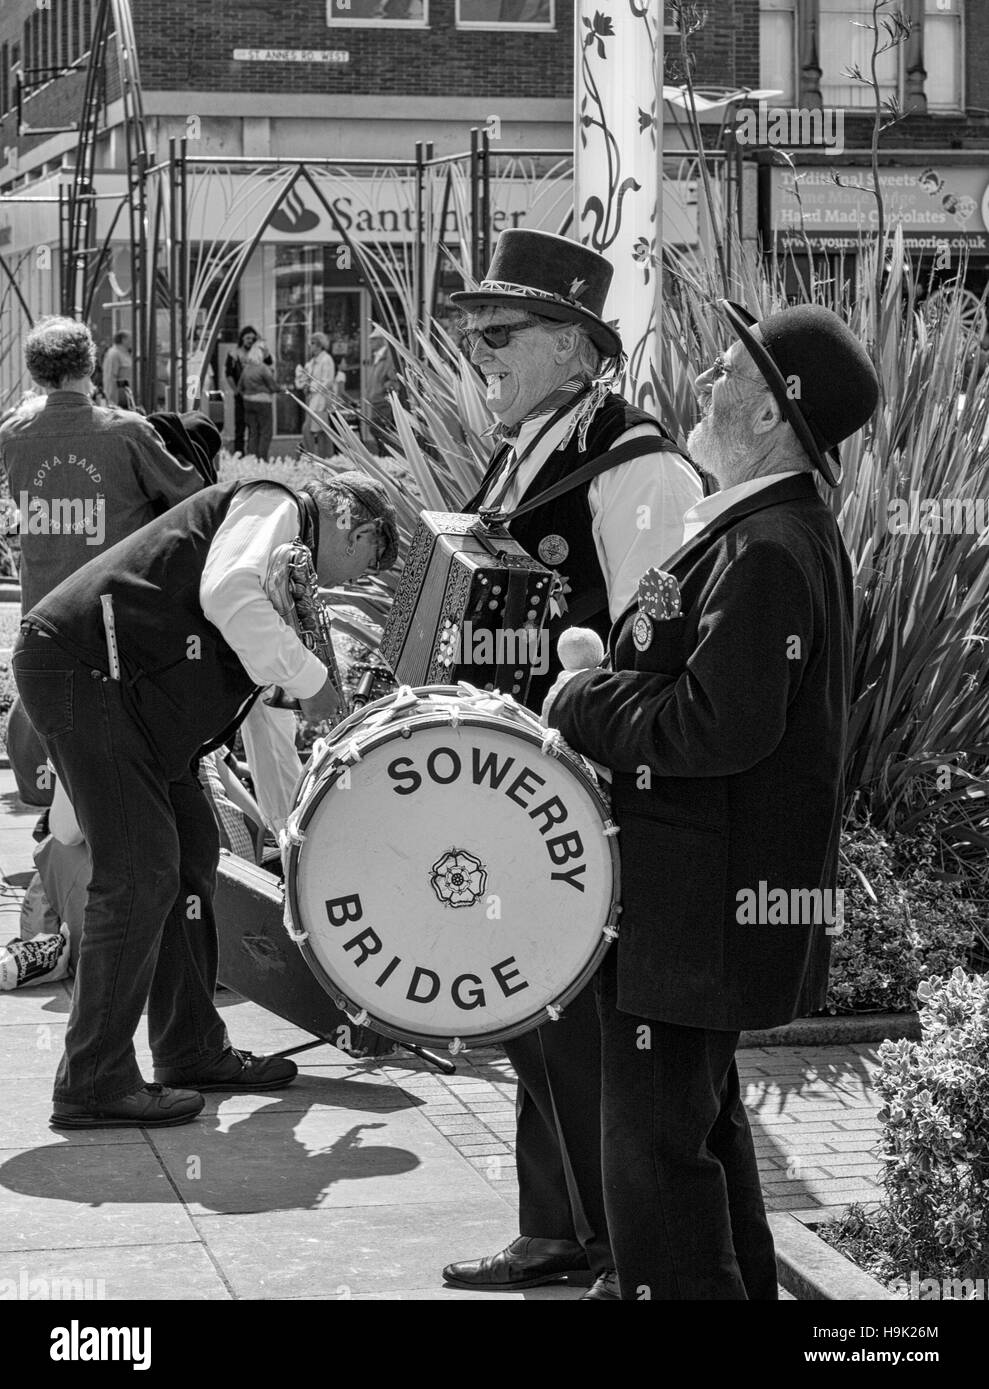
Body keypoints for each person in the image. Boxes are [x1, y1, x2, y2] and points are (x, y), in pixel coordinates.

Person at [542, 301, 879, 1299]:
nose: (705, 380)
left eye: (729, 368)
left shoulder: (768, 544)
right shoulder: (765, 529)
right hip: (699, 904)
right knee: (698, 1128)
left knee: (652, 1154)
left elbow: (713, 727)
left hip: (697, 911)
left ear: (775, 414)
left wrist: (579, 694)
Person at [441, 229, 703, 1299]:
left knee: (587, 1029)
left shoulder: (636, 463)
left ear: (572, 347)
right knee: (534, 1018)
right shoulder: (534, 443)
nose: (476, 354)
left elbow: (658, 646)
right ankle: (553, 1228)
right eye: (469, 336)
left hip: (582, 791)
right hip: (525, 783)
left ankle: (612, 1249)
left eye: (496, 334)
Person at [12, 470, 399, 1130]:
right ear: (356, 527)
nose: (355, 581)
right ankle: (92, 1080)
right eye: (367, 563)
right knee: (140, 874)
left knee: (192, 855)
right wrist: (311, 682)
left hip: (126, 695)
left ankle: (189, 1049)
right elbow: (228, 595)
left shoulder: (284, 534)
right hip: (91, 670)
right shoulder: (277, 504)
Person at [0, 317, 206, 806]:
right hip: (113, 620)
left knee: (62, 734)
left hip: (42, 610)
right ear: (90, 364)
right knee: (114, 745)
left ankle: (60, 829)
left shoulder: (13, 435)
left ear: (35, 373)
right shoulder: (126, 432)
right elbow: (192, 499)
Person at [224, 326, 274, 455]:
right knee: (240, 426)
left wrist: (263, 346)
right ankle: (239, 453)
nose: (250, 341)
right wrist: (236, 391)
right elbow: (229, 374)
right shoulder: (234, 354)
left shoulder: (257, 352)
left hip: (255, 395)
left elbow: (269, 362)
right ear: (242, 338)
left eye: (253, 338)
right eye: (247, 338)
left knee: (254, 428)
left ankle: (254, 455)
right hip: (242, 395)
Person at [296, 332, 341, 456]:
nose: (310, 346)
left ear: (320, 345)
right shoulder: (312, 362)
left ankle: (320, 457)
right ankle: (321, 457)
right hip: (312, 400)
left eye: (312, 343)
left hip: (321, 400)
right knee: (317, 431)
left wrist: (311, 387)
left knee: (316, 430)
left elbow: (328, 381)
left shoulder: (326, 359)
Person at [239, 352, 280, 461]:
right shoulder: (263, 368)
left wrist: (247, 395)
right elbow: (273, 387)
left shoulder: (246, 369)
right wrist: (280, 389)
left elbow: (240, 387)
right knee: (265, 432)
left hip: (248, 402)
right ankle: (262, 459)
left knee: (252, 432)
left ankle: (252, 459)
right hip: (263, 402)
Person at [364, 328, 399, 453]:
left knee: (380, 431)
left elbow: (395, 380)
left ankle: (388, 458)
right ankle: (385, 458)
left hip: (384, 402)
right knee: (377, 430)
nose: (370, 343)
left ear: (380, 341)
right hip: (376, 401)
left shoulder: (388, 358)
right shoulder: (378, 357)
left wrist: (385, 388)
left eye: (373, 340)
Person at [101, 330, 133, 408]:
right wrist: (112, 402)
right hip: (119, 402)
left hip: (128, 400)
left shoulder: (126, 353)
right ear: (123, 340)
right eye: (130, 339)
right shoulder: (113, 354)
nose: (132, 341)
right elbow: (110, 378)